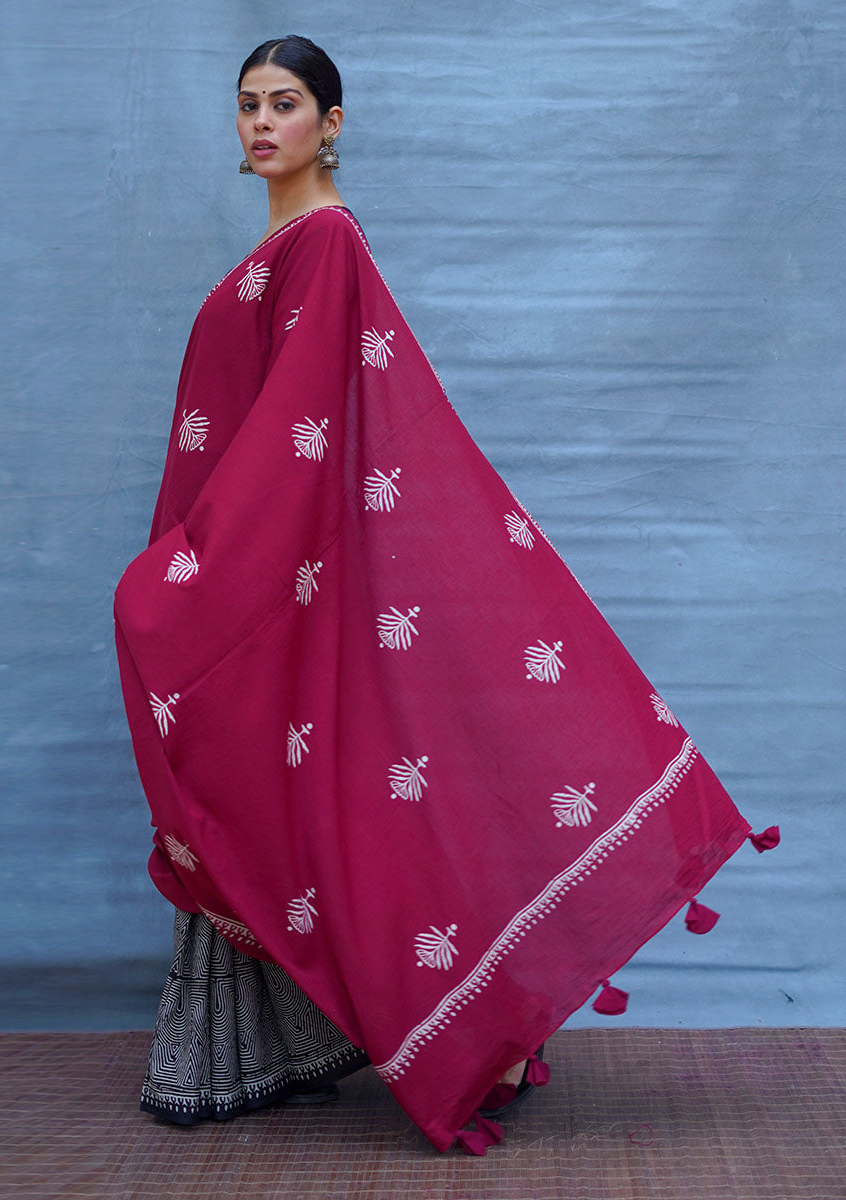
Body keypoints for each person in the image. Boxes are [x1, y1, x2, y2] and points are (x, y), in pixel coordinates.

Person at [115, 35, 774, 1154]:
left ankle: (478, 1032)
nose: (261, 123)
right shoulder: (290, 245)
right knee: (353, 794)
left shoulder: (322, 243)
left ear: (332, 123)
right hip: (297, 577)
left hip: (289, 570)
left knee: (354, 793)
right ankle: (438, 1027)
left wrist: (188, 573)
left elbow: (295, 444)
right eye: (246, 106)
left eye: (285, 104)